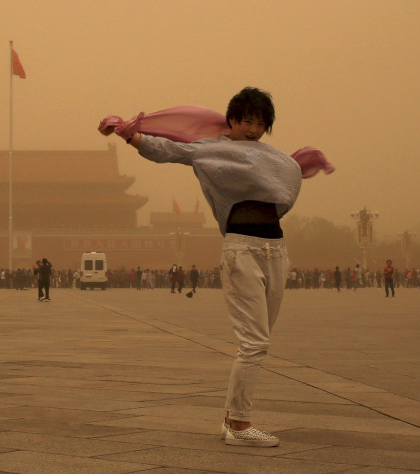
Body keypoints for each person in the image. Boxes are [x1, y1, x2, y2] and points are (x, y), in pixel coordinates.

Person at [100, 87, 314, 447]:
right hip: (242, 249)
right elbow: (170, 150)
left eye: (261, 124)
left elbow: (284, 175)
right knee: (254, 342)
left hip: (276, 250)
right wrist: (128, 134)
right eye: (247, 121)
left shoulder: (273, 157)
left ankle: (232, 419)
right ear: (231, 119)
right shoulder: (213, 150)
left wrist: (300, 163)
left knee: (259, 341)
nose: (253, 129)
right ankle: (241, 425)